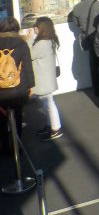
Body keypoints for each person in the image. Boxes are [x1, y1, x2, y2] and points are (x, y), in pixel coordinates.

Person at [0, 17, 35, 157]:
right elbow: (27, 67)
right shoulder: (21, 44)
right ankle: (17, 145)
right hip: (17, 90)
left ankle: (3, 146)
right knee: (18, 117)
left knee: (1, 120)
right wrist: (30, 85)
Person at [69, 0, 99, 97]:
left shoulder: (77, 7)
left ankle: (98, 91)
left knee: (93, 65)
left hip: (88, 39)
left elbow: (77, 24)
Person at [27, 17, 62, 140]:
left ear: (40, 28)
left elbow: (29, 54)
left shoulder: (42, 43)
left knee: (48, 104)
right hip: (46, 78)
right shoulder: (49, 40)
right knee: (48, 103)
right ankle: (50, 126)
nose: (33, 28)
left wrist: (29, 38)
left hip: (43, 79)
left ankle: (56, 129)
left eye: (35, 26)